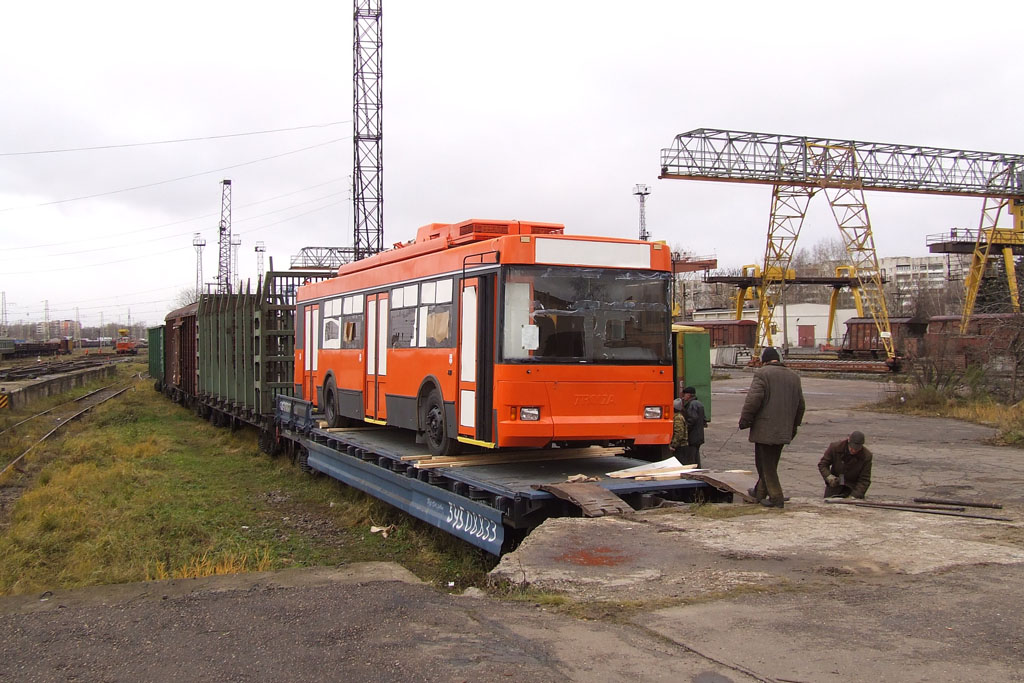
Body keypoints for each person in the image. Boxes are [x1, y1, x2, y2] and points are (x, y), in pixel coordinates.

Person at [738, 347, 805, 508]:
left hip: (765, 428)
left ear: (764, 360)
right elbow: (801, 406)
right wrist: (794, 425)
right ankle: (759, 493)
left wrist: (744, 421)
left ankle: (776, 497)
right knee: (770, 462)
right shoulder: (794, 377)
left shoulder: (763, 374)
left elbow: (753, 400)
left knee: (765, 465)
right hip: (785, 428)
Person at [818, 430, 872, 499]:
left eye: (857, 449)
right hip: (835, 486)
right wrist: (829, 477)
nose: (854, 451)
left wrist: (854, 496)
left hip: (852, 488)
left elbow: (864, 480)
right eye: (852, 448)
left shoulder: (866, 456)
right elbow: (823, 464)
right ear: (848, 441)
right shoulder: (835, 448)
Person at [680, 386, 707, 468]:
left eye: (684, 394)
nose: (683, 396)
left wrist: (685, 429)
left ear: (688, 395)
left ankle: (693, 471)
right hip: (698, 435)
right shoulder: (699, 403)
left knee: (691, 457)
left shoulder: (692, 405)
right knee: (696, 455)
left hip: (693, 435)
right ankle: (698, 470)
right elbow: (704, 420)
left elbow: (692, 419)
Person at [670, 398, 689, 463]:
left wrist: (673, 445)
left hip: (680, 447)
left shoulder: (677, 418)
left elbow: (679, 433)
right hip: (681, 446)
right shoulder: (678, 416)